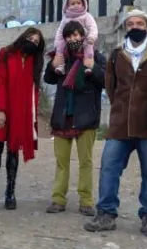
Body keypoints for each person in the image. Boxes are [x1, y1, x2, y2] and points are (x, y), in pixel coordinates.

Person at [85, 9, 147, 237]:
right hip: (120, 124)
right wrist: (121, 108)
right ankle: (106, 214)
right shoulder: (117, 54)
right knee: (109, 167)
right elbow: (111, 87)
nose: (135, 27)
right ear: (125, 28)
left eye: (139, 23)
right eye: (130, 24)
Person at [44, 20, 105, 216]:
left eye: (77, 35)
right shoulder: (60, 56)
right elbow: (49, 79)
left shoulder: (95, 55)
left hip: (86, 117)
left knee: (85, 161)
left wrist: (93, 67)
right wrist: (53, 66)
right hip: (63, 116)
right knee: (61, 162)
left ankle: (86, 201)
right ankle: (58, 199)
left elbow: (106, 80)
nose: (73, 39)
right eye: (69, 36)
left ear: (84, 36)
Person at [0, 27, 45, 211]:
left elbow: (34, 91)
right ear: (23, 36)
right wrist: (0, 110)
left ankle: (10, 191)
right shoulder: (6, 53)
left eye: (36, 41)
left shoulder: (35, 62)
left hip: (21, 112)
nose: (32, 42)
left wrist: (31, 116)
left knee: (14, 151)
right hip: (4, 108)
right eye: (30, 37)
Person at [51, 0, 98, 72]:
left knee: (89, 47)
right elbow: (60, 31)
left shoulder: (86, 16)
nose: (76, 5)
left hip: (86, 39)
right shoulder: (65, 18)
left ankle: (88, 66)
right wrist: (57, 43)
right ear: (67, 6)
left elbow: (93, 27)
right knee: (60, 48)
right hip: (65, 45)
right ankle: (60, 66)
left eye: (78, 3)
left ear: (83, 3)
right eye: (72, 4)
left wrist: (91, 37)